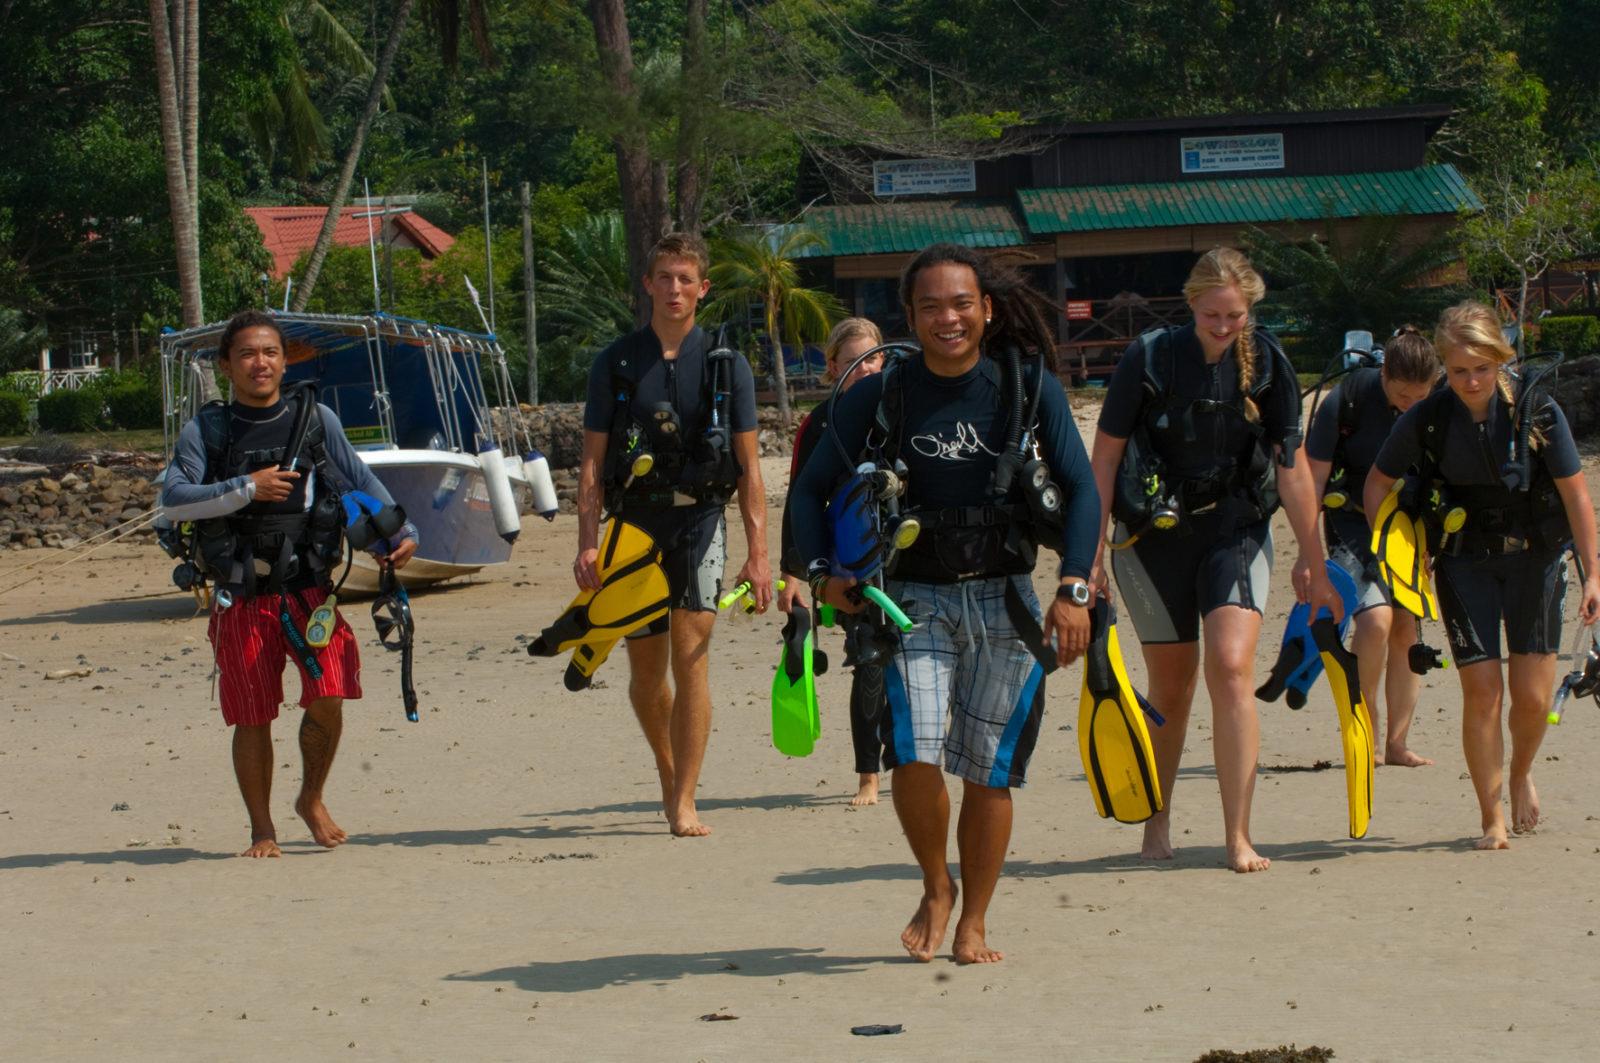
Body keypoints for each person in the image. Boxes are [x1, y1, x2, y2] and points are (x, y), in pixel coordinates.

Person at [790, 243, 1100, 964]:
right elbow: (808, 488)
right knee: (915, 751)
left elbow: (1082, 489)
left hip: (1006, 596)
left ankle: (976, 918)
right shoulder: (880, 393)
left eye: (961, 304)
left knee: (990, 768)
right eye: (930, 306)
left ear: (987, 309)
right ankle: (937, 884)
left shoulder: (1028, 387)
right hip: (910, 600)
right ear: (910, 316)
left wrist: (1075, 586)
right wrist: (822, 572)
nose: (947, 318)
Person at [1088, 247, 1344, 874]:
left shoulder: (1267, 365)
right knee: (1169, 688)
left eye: (1235, 316)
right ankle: (1157, 820)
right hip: (1153, 540)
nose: (1225, 327)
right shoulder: (1149, 358)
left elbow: (1293, 473)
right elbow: (1104, 461)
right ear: (1191, 304)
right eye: (1213, 316)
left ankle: (1238, 834)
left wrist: (1313, 561)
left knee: (1231, 667)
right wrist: (1088, 557)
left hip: (1235, 530)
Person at [160, 310, 418, 858]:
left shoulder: (316, 419)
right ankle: (262, 830)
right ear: (227, 365)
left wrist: (400, 531)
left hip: (309, 589)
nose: (261, 363)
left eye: (271, 352)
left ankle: (311, 797)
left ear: (284, 361)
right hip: (241, 593)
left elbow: (359, 480)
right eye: (249, 354)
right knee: (252, 714)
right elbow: (174, 499)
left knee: (331, 691)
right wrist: (244, 487)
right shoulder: (205, 430)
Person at [1363, 301, 1599, 851]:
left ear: (1501, 360)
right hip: (1463, 563)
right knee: (1483, 692)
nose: (1471, 381)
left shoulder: (1538, 411)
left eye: (1483, 368)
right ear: (1443, 365)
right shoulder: (1426, 417)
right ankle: (1490, 814)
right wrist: (1396, 552)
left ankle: (1519, 773)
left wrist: (1592, 575)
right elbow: (1377, 483)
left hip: (1534, 560)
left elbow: (1577, 495)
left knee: (1534, 699)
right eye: (1460, 369)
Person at [576, 232, 770, 838]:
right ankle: (667, 768)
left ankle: (685, 798)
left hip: (700, 519)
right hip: (635, 524)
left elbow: (750, 469)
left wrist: (760, 554)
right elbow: (590, 462)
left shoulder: (724, 363)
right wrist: (587, 539)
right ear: (648, 284)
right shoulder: (618, 361)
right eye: (665, 277)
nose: (675, 288)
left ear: (702, 288)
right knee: (644, 670)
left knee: (692, 659)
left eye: (686, 278)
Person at [1306, 326, 1440, 767]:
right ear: (1384, 374)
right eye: (1403, 396)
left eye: (1420, 397)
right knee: (1376, 622)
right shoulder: (1348, 399)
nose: (1410, 407)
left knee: (1406, 627)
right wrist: (1309, 559)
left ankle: (1398, 743)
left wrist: (1435, 542)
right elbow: (1311, 481)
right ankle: (1366, 726)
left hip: (1407, 527)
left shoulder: (1436, 407)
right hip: (1352, 522)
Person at [777, 317, 887, 807]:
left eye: (874, 360)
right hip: (847, 561)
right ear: (834, 366)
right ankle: (869, 775)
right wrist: (792, 576)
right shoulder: (820, 421)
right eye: (855, 364)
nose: (866, 372)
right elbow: (799, 498)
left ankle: (907, 759)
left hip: (906, 552)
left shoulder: (900, 410)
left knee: (907, 663)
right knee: (867, 659)